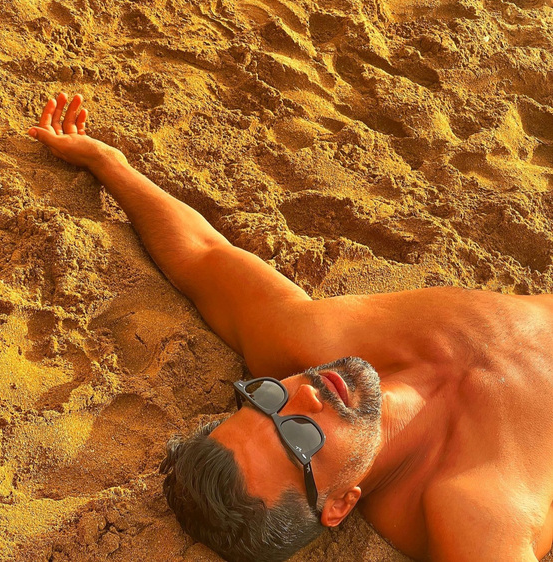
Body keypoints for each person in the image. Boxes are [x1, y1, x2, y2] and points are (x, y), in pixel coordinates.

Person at [28, 93, 553, 562]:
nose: (304, 394)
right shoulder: (472, 509)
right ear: (339, 504)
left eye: (265, 400)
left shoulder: (311, 339)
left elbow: (202, 254)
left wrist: (106, 162)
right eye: (299, 437)